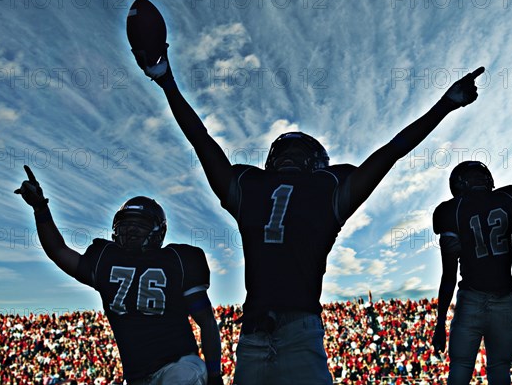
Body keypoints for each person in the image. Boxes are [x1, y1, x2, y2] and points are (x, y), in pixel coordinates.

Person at [133, 33, 484, 382]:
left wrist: (166, 80)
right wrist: (445, 105)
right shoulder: (329, 188)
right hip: (298, 331)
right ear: (317, 164)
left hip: (254, 335)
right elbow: (392, 150)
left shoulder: (249, 186)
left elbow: (201, 140)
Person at [15, 166, 224, 385]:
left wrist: (214, 375)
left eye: (140, 225)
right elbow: (59, 251)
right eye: (126, 224)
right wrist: (40, 209)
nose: (131, 231)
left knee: (185, 377)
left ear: (158, 232)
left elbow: (207, 322)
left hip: (178, 365)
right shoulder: (106, 258)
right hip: (135, 376)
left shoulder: (178, 260)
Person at [431, 91, 512, 385]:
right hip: (500, 299)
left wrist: (439, 323)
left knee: (460, 370)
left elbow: (448, 275)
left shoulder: (451, 211)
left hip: (472, 297)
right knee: (498, 371)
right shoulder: (504, 199)